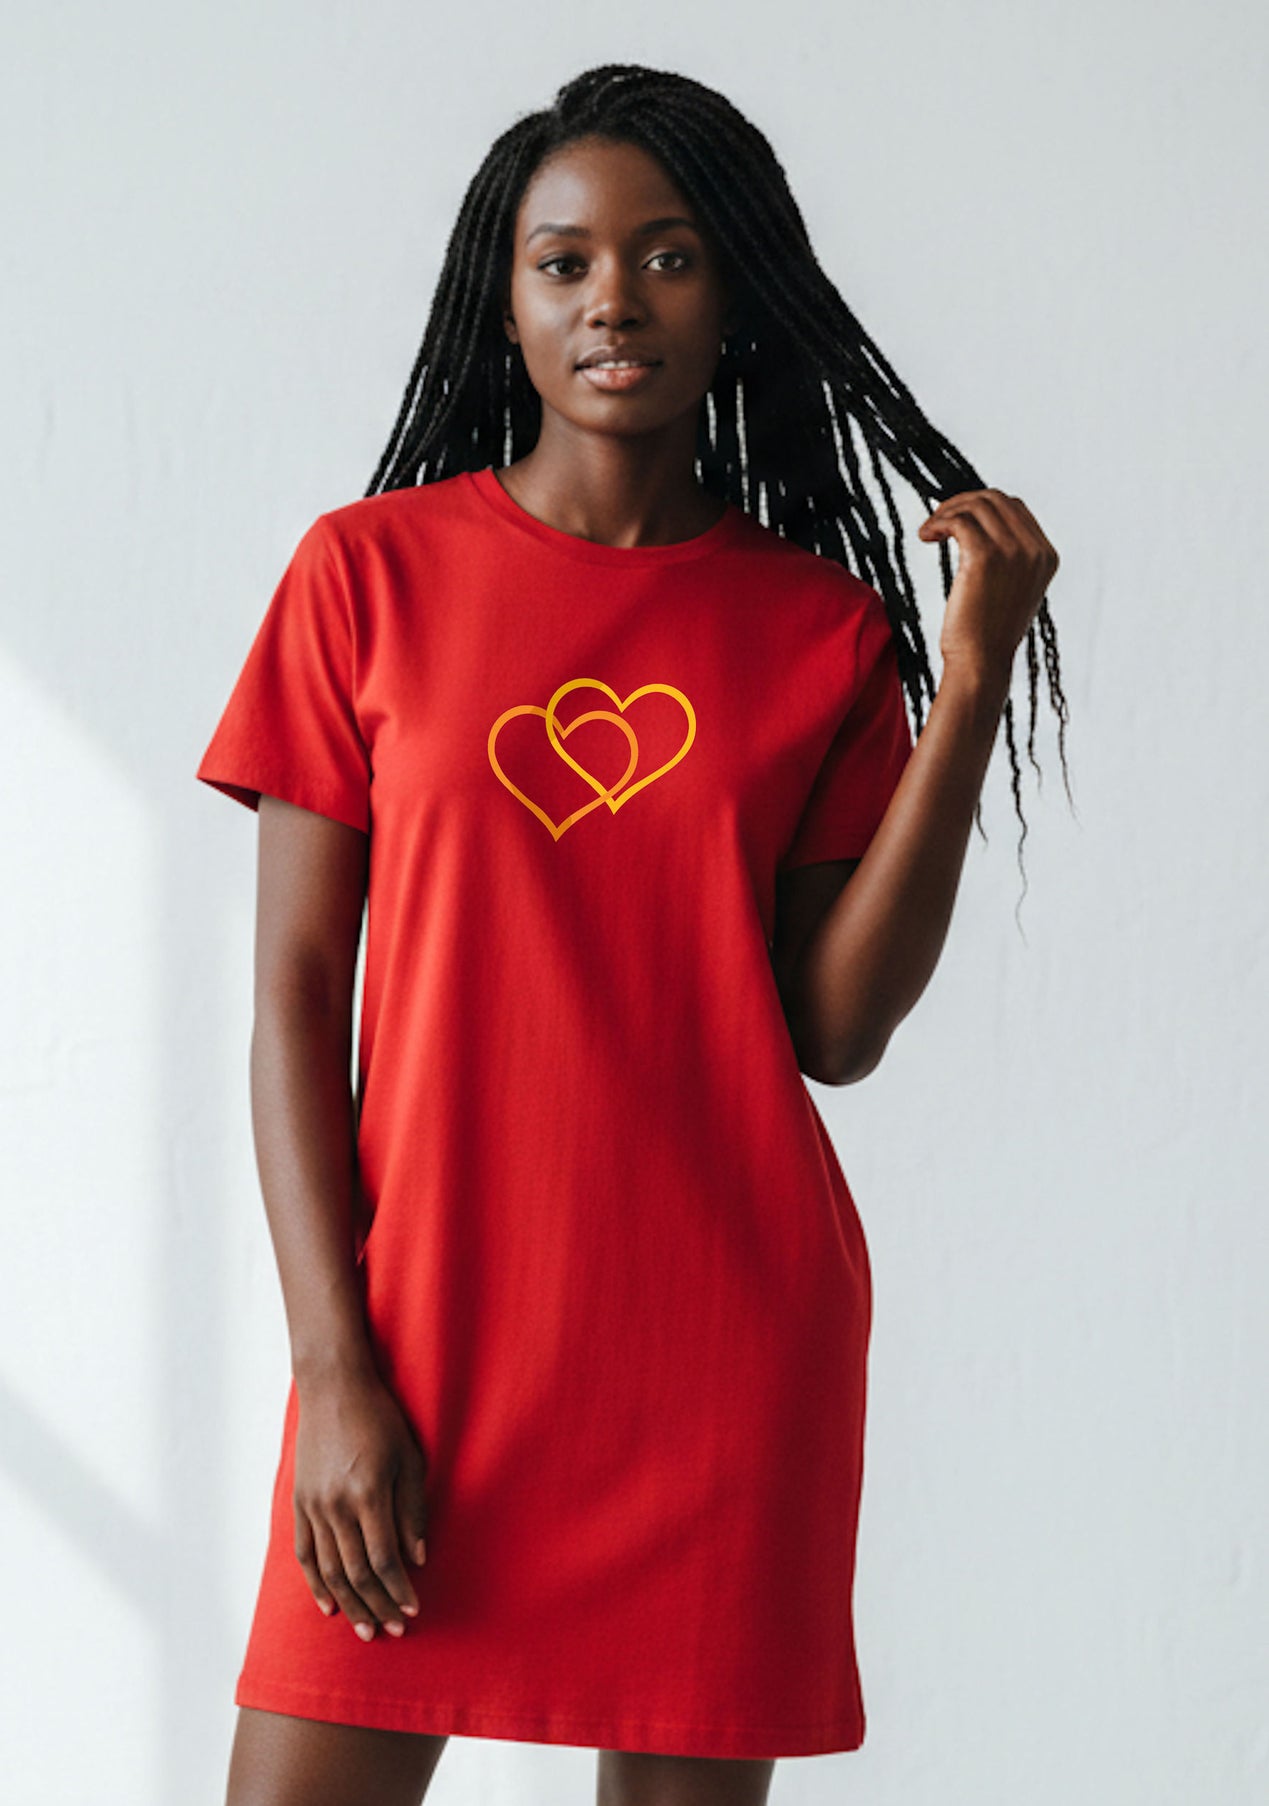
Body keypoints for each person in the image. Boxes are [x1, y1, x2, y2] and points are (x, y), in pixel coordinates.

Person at [197, 62, 1064, 1806]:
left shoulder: (816, 632)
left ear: (732, 293)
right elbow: (295, 996)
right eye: (564, 261)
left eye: (665, 258)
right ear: (500, 304)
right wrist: (331, 1366)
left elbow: (833, 1026)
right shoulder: (362, 577)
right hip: (419, 1351)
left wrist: (965, 686)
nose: (612, 300)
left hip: (714, 1357)